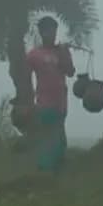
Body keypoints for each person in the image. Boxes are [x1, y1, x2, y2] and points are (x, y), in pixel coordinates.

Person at [25, 16, 75, 173]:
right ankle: (45, 169)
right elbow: (24, 75)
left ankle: (55, 171)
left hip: (61, 102)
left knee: (60, 139)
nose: (51, 35)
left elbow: (70, 72)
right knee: (49, 136)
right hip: (44, 102)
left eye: (54, 31)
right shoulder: (34, 54)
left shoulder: (61, 51)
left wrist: (64, 54)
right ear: (41, 33)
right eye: (47, 31)